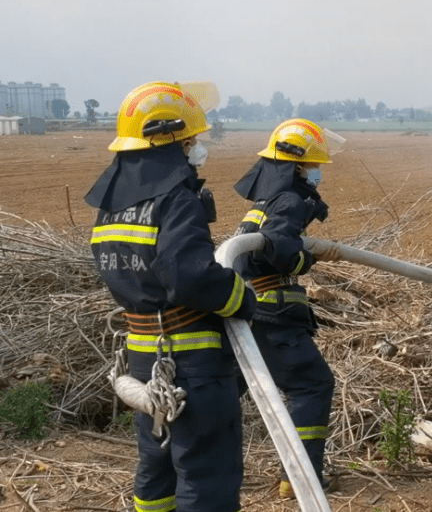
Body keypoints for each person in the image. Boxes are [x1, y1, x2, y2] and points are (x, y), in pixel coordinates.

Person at [85, 82, 255, 512]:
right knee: (206, 477)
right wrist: (241, 296)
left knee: (156, 471)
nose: (196, 150)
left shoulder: (113, 207)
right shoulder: (176, 200)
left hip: (144, 359)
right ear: (168, 141)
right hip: (191, 365)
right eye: (190, 141)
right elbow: (190, 277)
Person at [232, 118, 338, 499]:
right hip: (273, 312)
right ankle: (300, 476)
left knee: (229, 389)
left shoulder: (266, 200)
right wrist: (305, 260)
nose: (317, 171)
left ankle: (198, 463)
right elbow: (280, 251)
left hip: (251, 310)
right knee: (313, 385)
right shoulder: (291, 199)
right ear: (297, 166)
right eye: (313, 164)